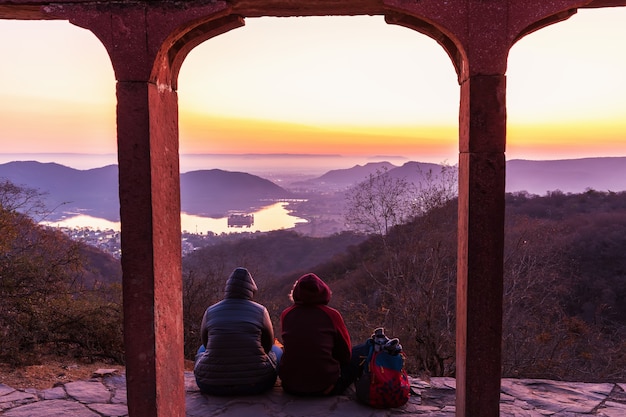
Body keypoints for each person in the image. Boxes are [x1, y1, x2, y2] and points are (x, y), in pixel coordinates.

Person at [194, 267, 282, 396]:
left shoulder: (210, 311)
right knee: (277, 350)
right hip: (257, 384)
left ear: (228, 289)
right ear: (251, 290)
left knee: (202, 349)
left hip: (210, 385)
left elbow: (206, 344)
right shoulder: (260, 310)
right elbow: (268, 345)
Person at [278, 272, 354, 396]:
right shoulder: (332, 315)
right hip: (325, 388)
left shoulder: (286, 314)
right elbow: (345, 356)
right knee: (362, 351)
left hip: (290, 386)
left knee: (276, 351)